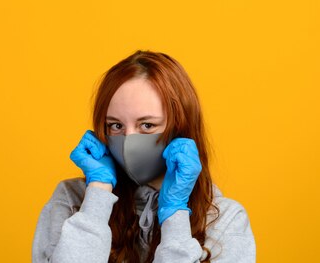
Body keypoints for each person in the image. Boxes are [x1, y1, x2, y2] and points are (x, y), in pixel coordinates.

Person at [31, 50, 256, 263]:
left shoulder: (224, 220)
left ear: (180, 129)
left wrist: (175, 215)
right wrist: (97, 196)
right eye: (116, 125)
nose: (129, 139)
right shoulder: (71, 201)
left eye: (147, 125)